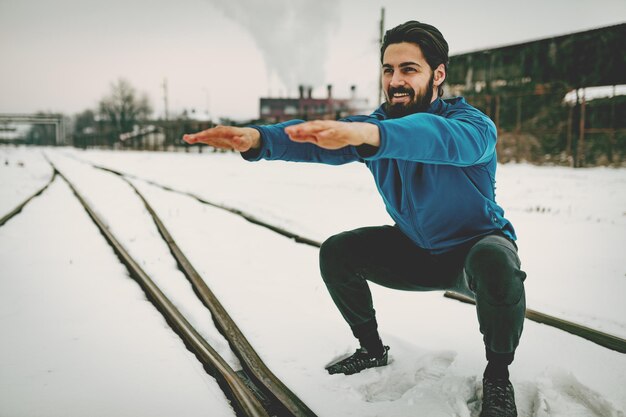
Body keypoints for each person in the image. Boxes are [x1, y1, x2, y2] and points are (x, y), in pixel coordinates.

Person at [183, 20, 526, 417]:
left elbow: (436, 138)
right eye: (388, 69)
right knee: (338, 252)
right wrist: (260, 140)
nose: (395, 80)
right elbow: (318, 141)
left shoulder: (472, 126)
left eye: (408, 69)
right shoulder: (374, 127)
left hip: (475, 254)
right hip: (418, 252)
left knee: (496, 260)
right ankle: (371, 349)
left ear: (439, 74)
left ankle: (498, 378)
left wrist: (371, 136)